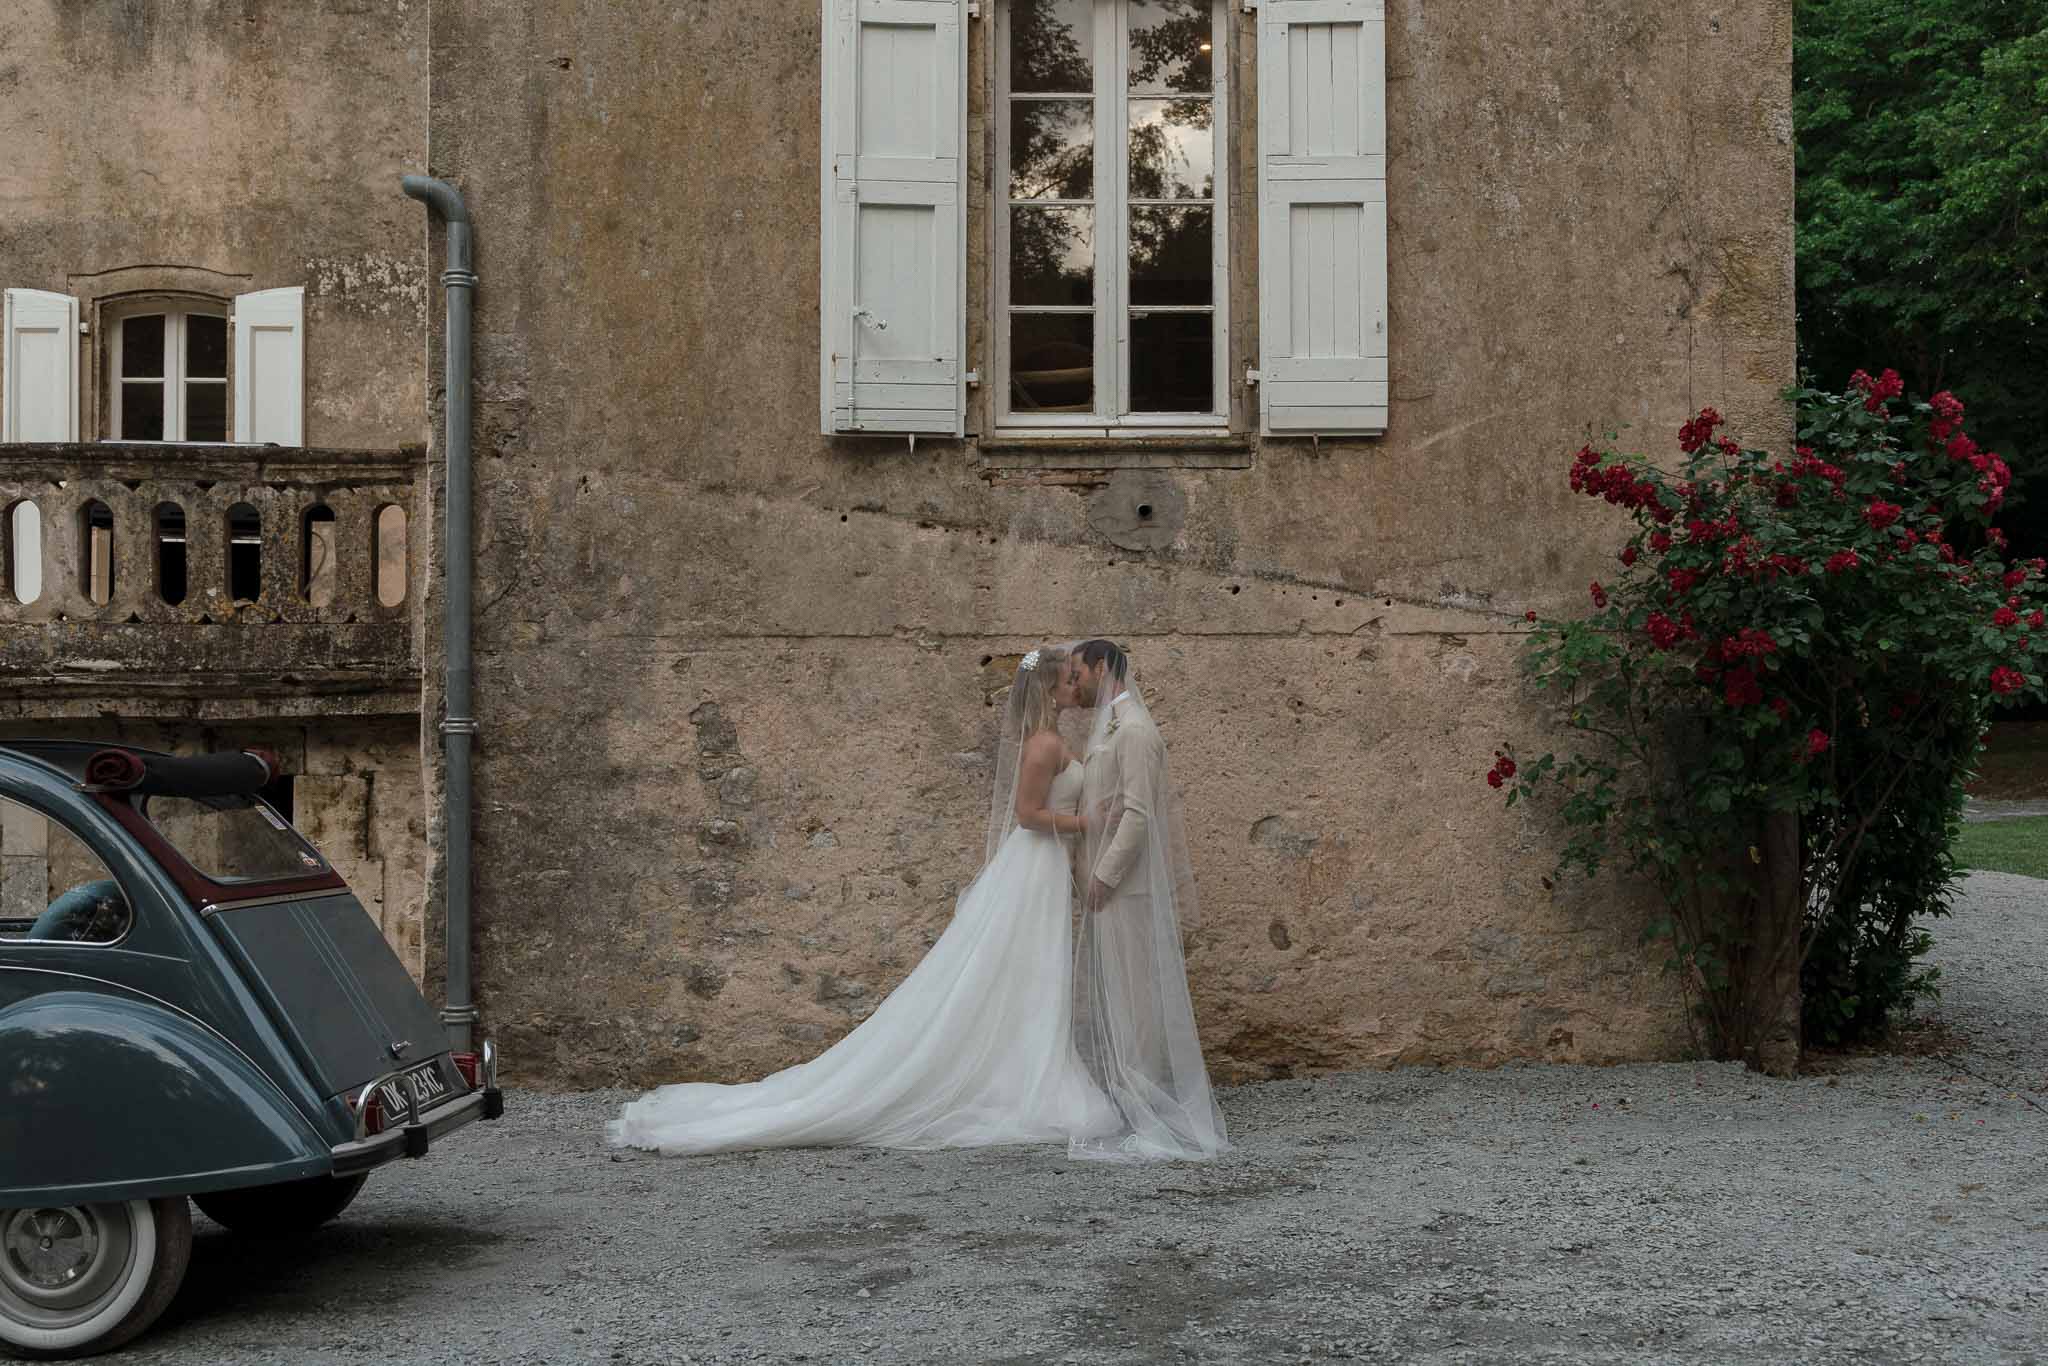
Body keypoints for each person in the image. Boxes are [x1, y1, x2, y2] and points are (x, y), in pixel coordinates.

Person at [607, 645, 1121, 1154]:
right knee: (1015, 971)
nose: (1078, 685)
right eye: (1070, 679)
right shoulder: (1042, 746)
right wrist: (1086, 823)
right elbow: (1029, 816)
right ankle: (1018, 1078)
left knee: (1033, 973)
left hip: (1046, 871)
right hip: (1030, 869)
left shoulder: (1054, 740)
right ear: (1050, 689)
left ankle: (1026, 1068)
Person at [1062, 640, 1229, 1162]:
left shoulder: (1134, 730)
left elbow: (1137, 815)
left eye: (1079, 672)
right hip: (1108, 888)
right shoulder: (1113, 727)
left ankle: (1147, 1108)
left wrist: (1105, 877)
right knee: (1120, 998)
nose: (1076, 683)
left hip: (1124, 890)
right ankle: (1130, 1101)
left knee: (1135, 999)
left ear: (1102, 667)